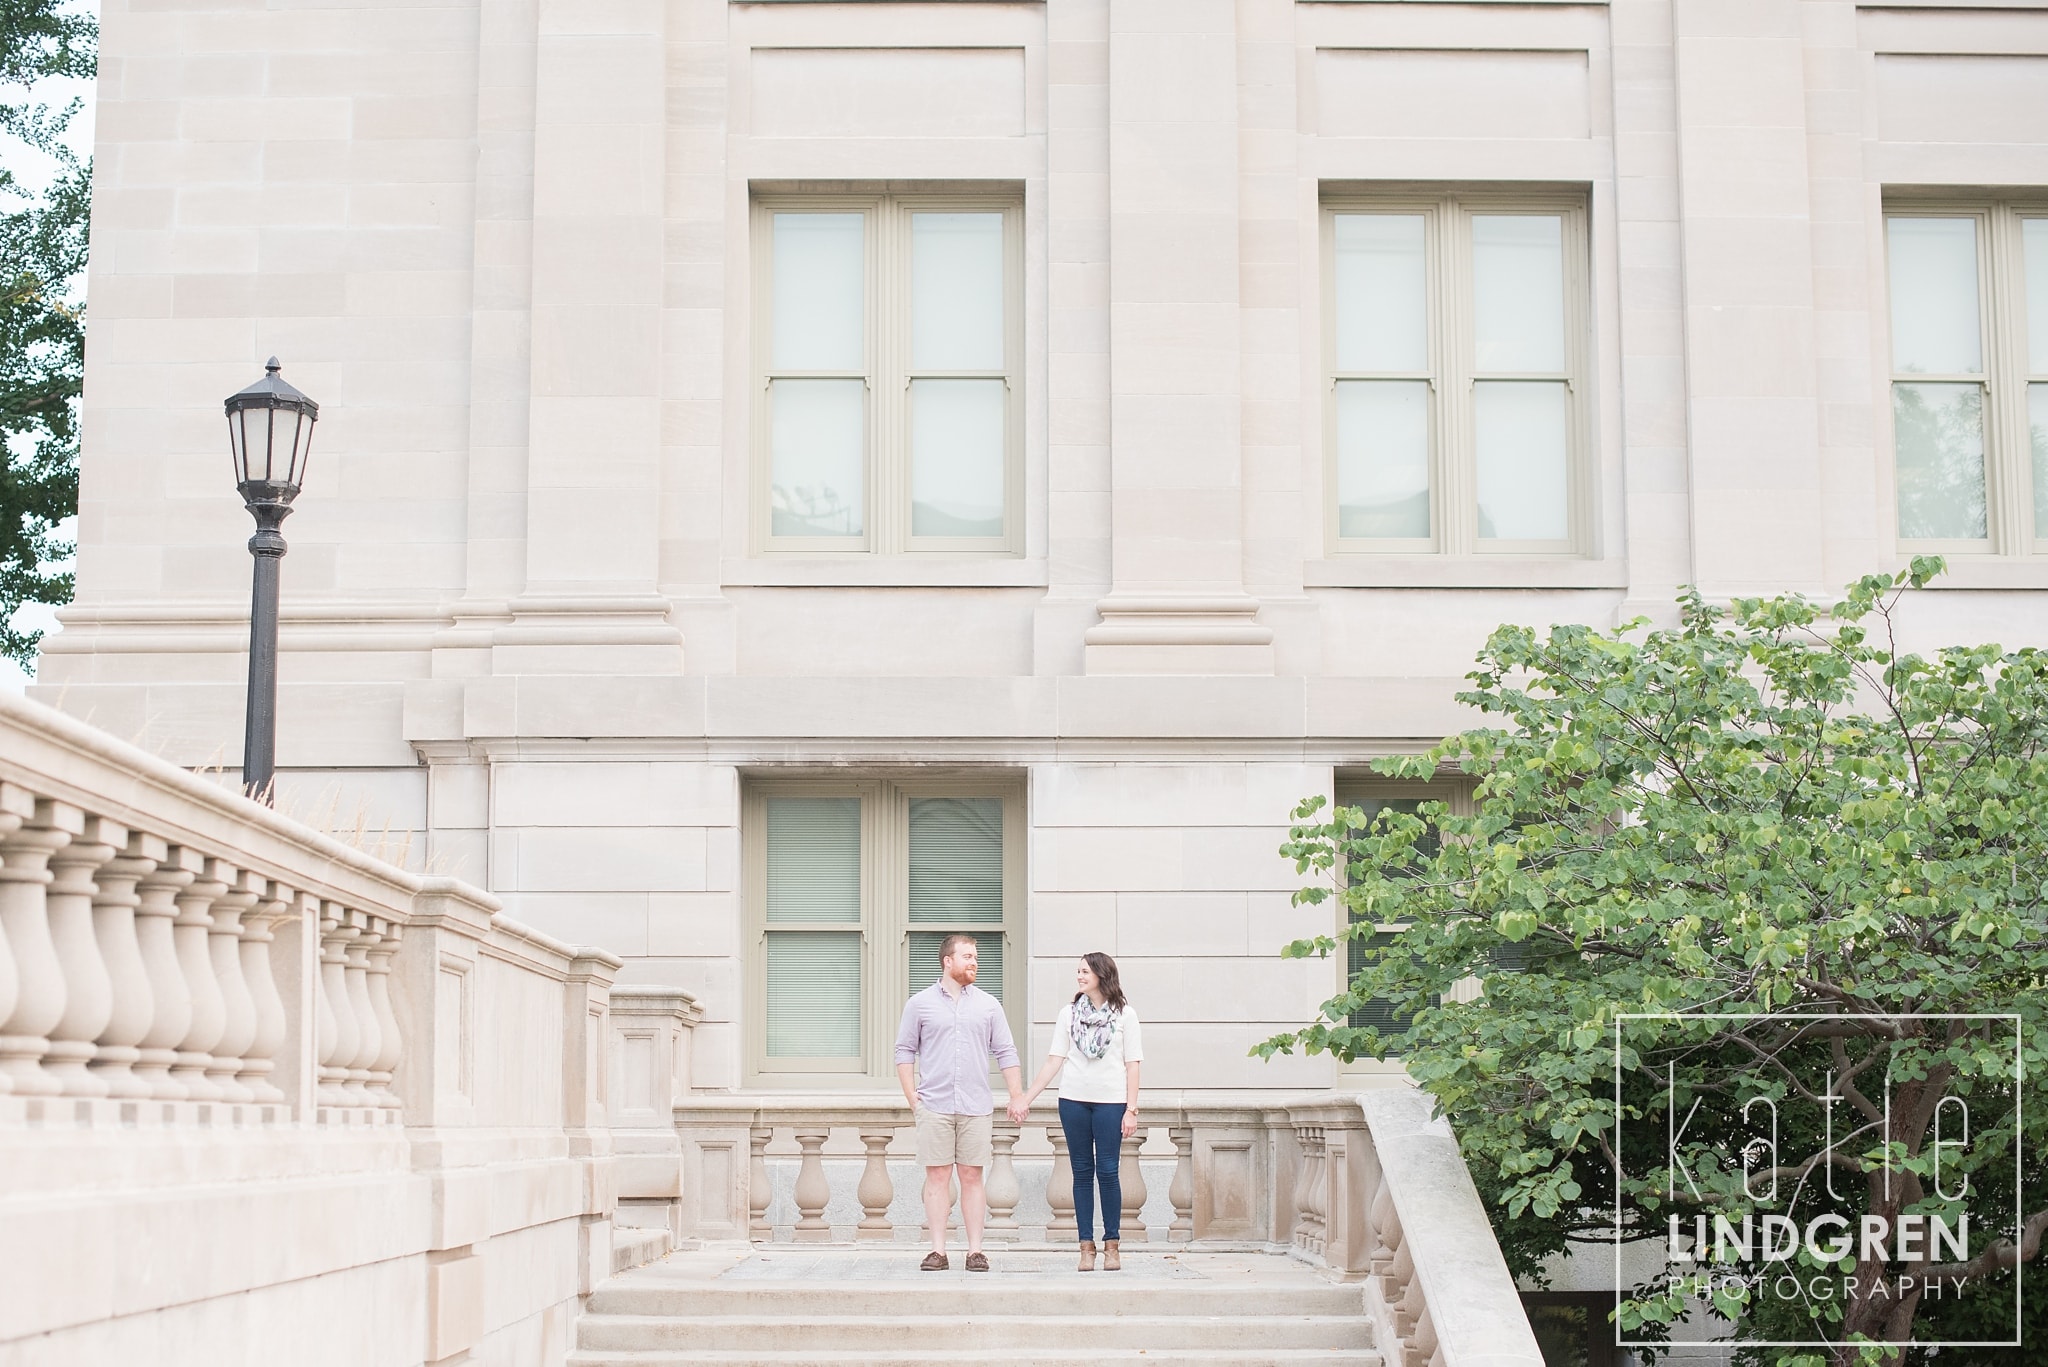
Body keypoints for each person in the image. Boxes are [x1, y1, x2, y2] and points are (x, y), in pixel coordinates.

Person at [895, 933, 1023, 1272]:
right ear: (947, 961)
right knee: (937, 1176)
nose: (974, 962)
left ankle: (974, 1251)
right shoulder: (919, 1004)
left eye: (975, 956)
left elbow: (1006, 1052)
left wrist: (1016, 1094)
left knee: (971, 1176)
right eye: (967, 955)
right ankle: (937, 1251)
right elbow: (904, 1051)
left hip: (975, 1105)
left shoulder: (989, 1005)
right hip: (934, 1104)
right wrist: (912, 1098)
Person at [1014, 951, 1142, 1271]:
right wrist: (1026, 1097)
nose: (1080, 976)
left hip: (1111, 1103)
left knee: (1109, 1171)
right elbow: (1054, 1060)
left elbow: (1132, 1065)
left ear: (1102, 974)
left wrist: (1131, 1109)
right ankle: (1086, 1247)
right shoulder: (1069, 1014)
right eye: (1078, 971)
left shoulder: (1125, 1015)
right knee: (1082, 1172)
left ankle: (1112, 1245)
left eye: (1085, 971)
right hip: (1073, 1101)